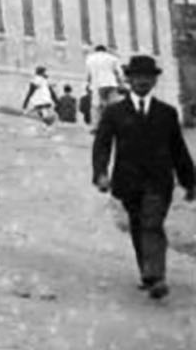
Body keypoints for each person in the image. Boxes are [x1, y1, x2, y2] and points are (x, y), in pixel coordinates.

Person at [89, 54, 196, 300]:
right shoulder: (115, 113)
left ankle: (156, 275)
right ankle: (147, 271)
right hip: (128, 181)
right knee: (138, 225)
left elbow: (178, 150)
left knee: (152, 222)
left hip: (159, 181)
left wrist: (190, 182)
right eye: (137, 77)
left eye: (147, 78)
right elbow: (102, 145)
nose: (142, 82)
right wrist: (101, 173)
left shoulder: (166, 113)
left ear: (154, 81)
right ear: (128, 80)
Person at [83, 45, 123, 125]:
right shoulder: (113, 58)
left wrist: (87, 83)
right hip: (111, 84)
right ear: (105, 51)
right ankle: (115, 124)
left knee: (96, 106)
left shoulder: (90, 59)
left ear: (95, 51)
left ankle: (97, 126)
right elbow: (119, 73)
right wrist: (120, 83)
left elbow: (88, 75)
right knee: (113, 106)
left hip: (97, 84)